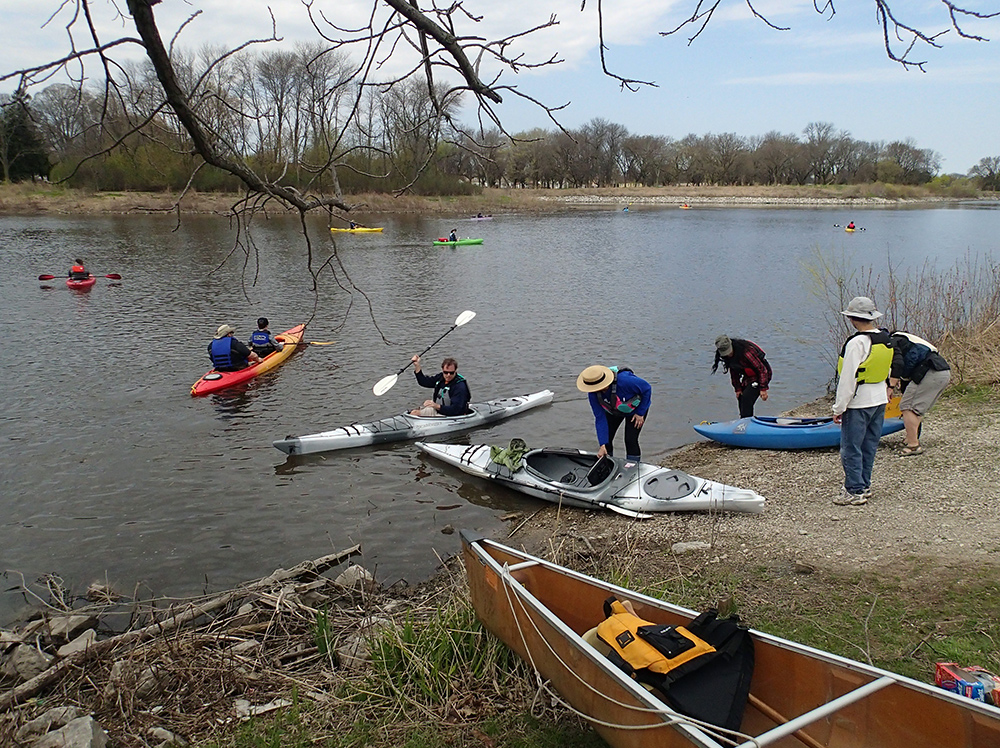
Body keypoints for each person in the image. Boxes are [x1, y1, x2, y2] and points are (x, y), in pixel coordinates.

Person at [832, 297, 893, 506]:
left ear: (852, 318)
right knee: (869, 444)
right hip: (879, 400)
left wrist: (839, 407)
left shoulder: (856, 342)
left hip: (858, 403)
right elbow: (888, 369)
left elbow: (848, 378)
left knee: (850, 448)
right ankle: (864, 485)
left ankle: (854, 490)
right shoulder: (885, 338)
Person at [888, 330, 951, 456]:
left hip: (930, 372)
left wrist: (890, 387)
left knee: (907, 407)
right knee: (916, 408)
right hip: (943, 372)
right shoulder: (910, 341)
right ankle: (910, 439)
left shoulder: (892, 342)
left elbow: (898, 364)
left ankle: (913, 445)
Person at [576, 365, 651, 461]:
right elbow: (600, 418)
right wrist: (602, 445)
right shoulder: (593, 394)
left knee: (630, 439)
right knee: (607, 440)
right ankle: (609, 462)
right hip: (613, 410)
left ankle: (634, 466)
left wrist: (641, 413)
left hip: (636, 410)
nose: (599, 390)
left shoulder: (626, 380)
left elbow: (647, 388)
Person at [712, 335, 772, 417]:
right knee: (741, 397)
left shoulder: (746, 353)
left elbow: (762, 370)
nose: (728, 354)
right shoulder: (729, 358)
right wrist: (738, 389)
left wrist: (763, 388)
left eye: (729, 351)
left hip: (762, 374)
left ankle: (747, 421)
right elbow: (734, 373)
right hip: (748, 376)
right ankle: (744, 420)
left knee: (747, 398)